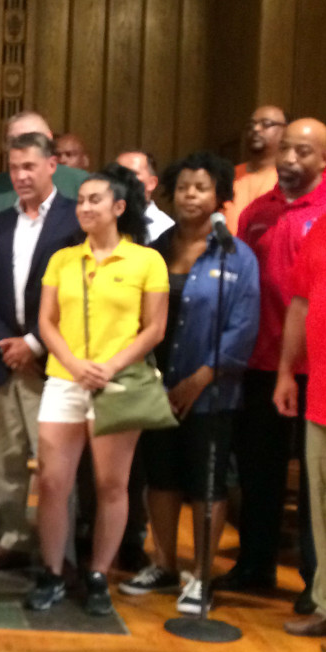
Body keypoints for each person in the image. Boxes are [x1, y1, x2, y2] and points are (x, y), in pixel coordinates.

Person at [120, 153, 259, 615]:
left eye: (201, 188)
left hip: (211, 392)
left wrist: (200, 379)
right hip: (156, 389)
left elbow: (242, 328)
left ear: (220, 196)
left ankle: (200, 574)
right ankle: (163, 564)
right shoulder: (154, 251)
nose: (190, 196)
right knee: (161, 479)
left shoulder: (237, 256)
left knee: (206, 484)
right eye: (183, 188)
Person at [26, 165, 168, 616]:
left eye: (95, 200)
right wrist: (74, 365)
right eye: (81, 200)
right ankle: (53, 572)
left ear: (119, 207)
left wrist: (109, 366)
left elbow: (155, 328)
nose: (84, 207)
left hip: (118, 381)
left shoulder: (147, 260)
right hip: (65, 379)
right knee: (52, 482)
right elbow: (46, 321)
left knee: (111, 485)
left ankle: (98, 575)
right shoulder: (63, 259)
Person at [221, 118, 326, 607]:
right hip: (261, 361)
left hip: (316, 368)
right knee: (258, 472)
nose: (289, 158)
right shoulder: (256, 211)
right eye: (285, 148)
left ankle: (315, 581)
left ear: (323, 160)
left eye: (303, 151)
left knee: (315, 482)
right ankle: (255, 562)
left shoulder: (325, 210)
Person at [0, 132, 83, 572]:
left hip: (51, 363)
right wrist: (6, 343)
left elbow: (76, 295)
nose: (21, 175)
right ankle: (9, 539)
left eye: (29, 166)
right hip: (2, 359)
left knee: (56, 466)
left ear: (52, 166)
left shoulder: (74, 220)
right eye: (14, 168)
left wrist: (33, 342)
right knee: (3, 459)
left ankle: (60, 554)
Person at [275, 210, 326, 639]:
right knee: (322, 509)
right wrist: (285, 372)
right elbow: (300, 302)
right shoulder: (323, 227)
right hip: (321, 397)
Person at [0, 111, 90, 213]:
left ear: (49, 139)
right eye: (13, 141)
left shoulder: (81, 183)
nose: (22, 146)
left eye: (31, 139)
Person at [224, 105, 288, 234]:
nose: (256, 129)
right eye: (251, 125)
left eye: (266, 124)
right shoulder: (227, 176)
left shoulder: (289, 178)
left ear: (285, 132)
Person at [116, 150, 173, 245]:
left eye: (132, 173)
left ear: (152, 183)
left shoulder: (165, 228)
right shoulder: (99, 220)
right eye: (118, 173)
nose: (123, 179)